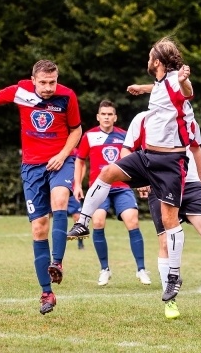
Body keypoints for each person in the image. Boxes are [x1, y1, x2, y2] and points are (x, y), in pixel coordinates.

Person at [67, 36, 192, 310]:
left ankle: (173, 276)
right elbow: (163, 88)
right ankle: (84, 220)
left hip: (170, 163)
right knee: (107, 172)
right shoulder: (161, 83)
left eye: (149, 56)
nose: (147, 60)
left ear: (157, 61)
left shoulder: (175, 79)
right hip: (147, 156)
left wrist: (184, 79)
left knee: (170, 222)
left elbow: (185, 90)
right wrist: (143, 88)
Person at [0, 60, 82, 315]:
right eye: (43, 83)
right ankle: (46, 293)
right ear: (33, 80)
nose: (48, 87)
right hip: (31, 167)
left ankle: (57, 263)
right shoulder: (19, 91)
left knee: (60, 199)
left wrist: (63, 155)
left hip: (60, 160)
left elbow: (76, 130)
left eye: (52, 82)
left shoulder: (67, 96)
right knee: (39, 227)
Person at [125, 110, 201, 318]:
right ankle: (170, 302)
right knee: (166, 244)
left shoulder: (188, 118)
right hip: (160, 185)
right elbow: (126, 152)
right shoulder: (142, 119)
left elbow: (196, 149)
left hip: (192, 184)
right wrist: (139, 180)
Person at [73, 100, 151, 286]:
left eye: (110, 114)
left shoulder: (125, 136)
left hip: (122, 186)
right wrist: (77, 184)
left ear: (115, 117)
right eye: (104, 114)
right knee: (98, 221)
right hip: (99, 188)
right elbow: (80, 161)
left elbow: (137, 160)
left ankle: (141, 269)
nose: (107, 117)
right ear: (98, 117)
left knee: (132, 220)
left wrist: (142, 182)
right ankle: (104, 269)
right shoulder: (89, 136)